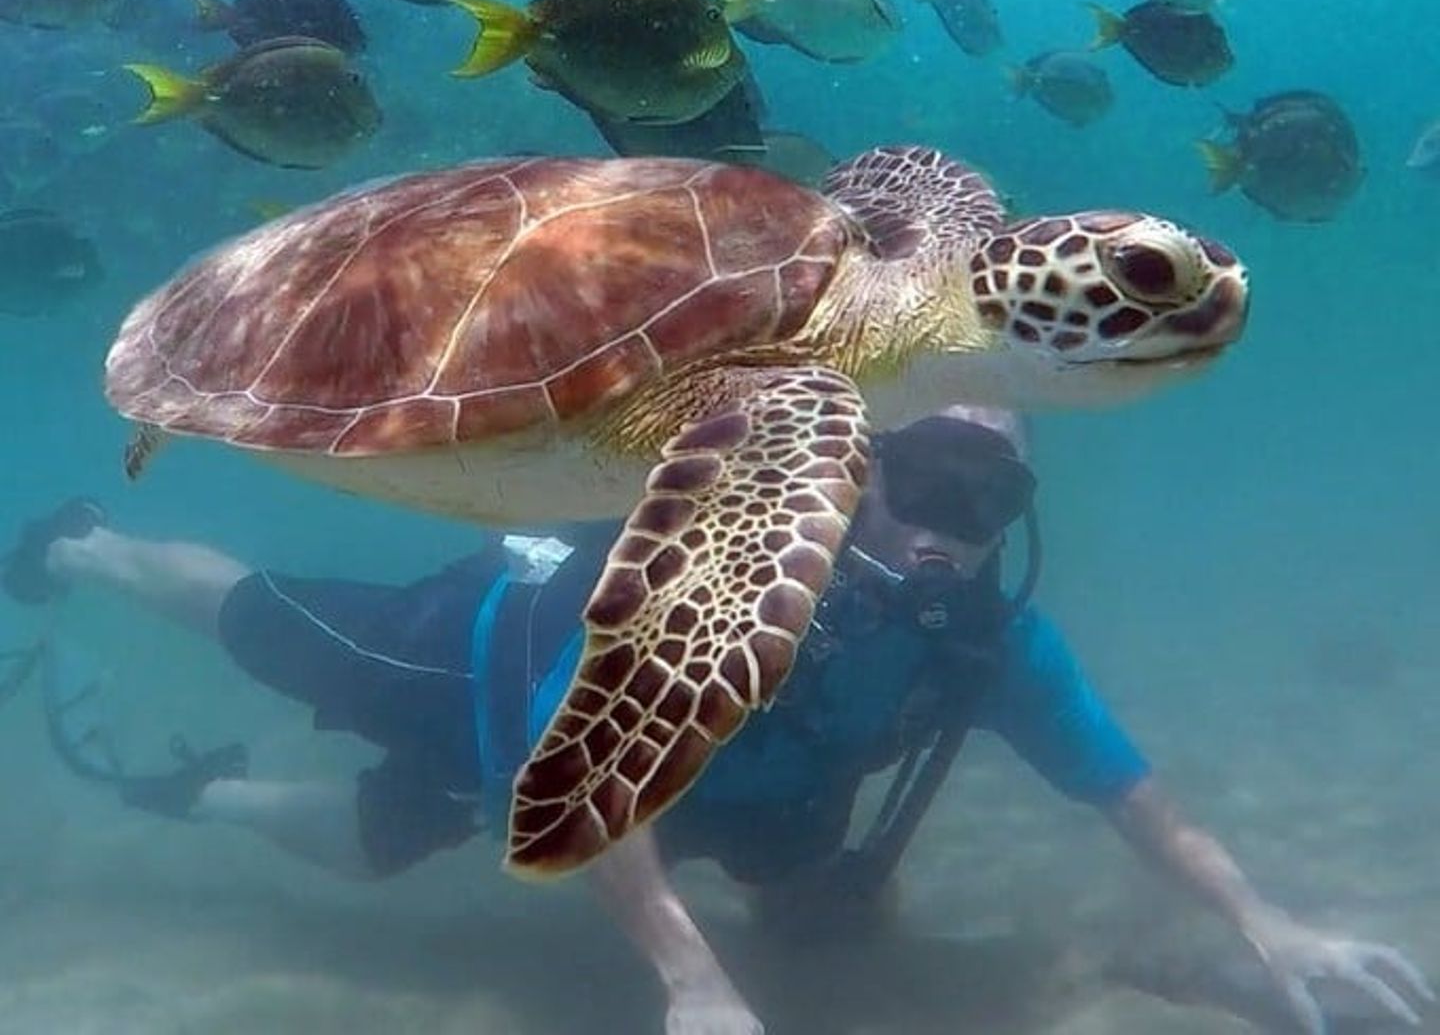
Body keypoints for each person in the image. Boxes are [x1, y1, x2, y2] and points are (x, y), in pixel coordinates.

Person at [3, 409, 1430, 1035]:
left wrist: (1268, 923)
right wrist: (691, 981)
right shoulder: (719, 586)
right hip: (479, 669)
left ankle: (196, 794)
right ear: (860, 474)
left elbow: (1130, 793)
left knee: (382, 844)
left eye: (987, 500)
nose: (944, 529)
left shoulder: (990, 643)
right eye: (925, 483)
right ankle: (83, 548)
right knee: (265, 625)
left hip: (718, 796)